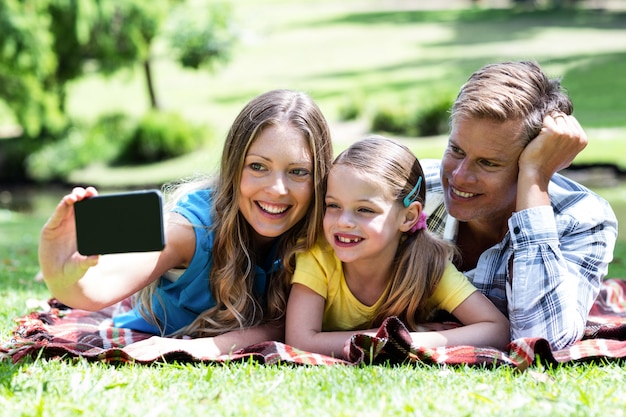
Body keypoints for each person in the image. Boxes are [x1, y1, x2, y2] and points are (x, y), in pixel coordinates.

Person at [38, 89, 334, 358]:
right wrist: (60, 274)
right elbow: (97, 291)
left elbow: (281, 326)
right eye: (258, 166)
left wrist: (198, 347)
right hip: (151, 322)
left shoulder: (319, 235)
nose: (277, 189)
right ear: (234, 167)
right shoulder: (192, 230)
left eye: (298, 172)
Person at [422, 61, 618, 350]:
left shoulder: (583, 219)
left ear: (536, 158)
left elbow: (542, 339)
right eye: (456, 150)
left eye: (488, 163)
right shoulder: (413, 189)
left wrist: (534, 178)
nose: (460, 175)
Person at [285, 136, 510, 359]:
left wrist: (412, 340)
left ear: (409, 216)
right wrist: (395, 338)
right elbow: (299, 341)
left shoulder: (427, 263)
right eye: (333, 205)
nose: (343, 221)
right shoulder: (318, 256)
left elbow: (497, 329)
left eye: (364, 210)